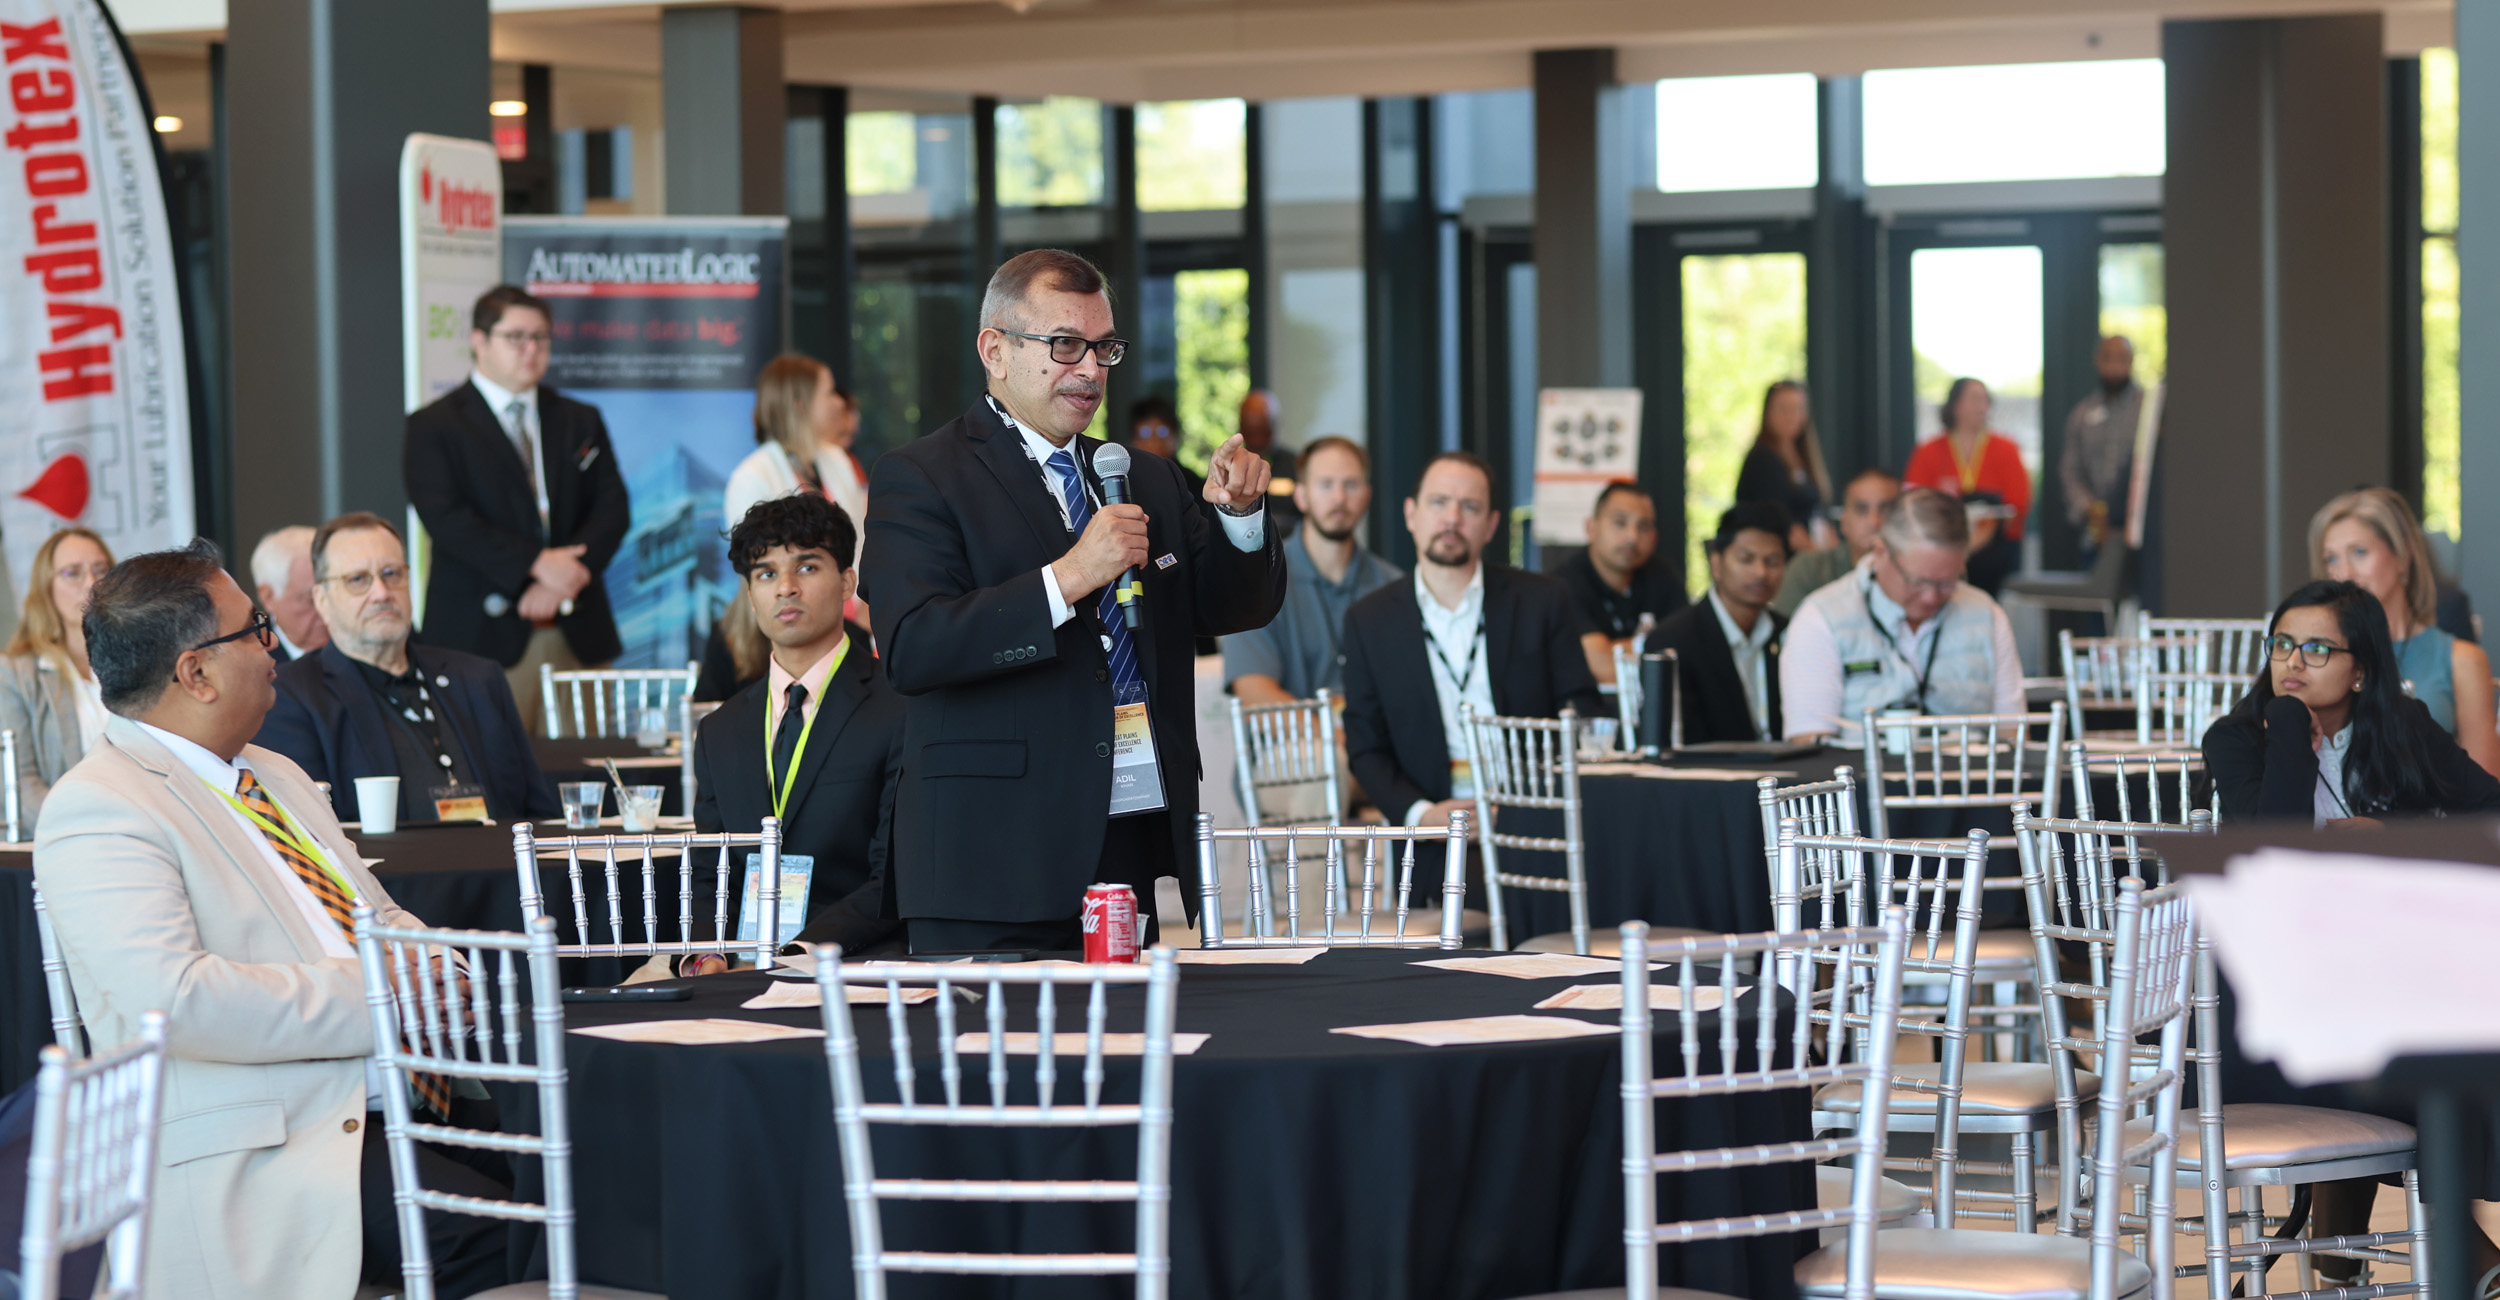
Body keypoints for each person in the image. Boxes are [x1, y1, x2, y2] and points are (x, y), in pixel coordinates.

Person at [33, 540, 509, 1300]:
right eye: (256, 630)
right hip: (272, 1147)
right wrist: (384, 998)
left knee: (602, 1181)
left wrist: (438, 971)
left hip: (398, 1103)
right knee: (511, 1240)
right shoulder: (101, 805)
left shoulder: (273, 771)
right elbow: (177, 999)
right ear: (194, 672)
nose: (276, 646)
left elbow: (378, 914)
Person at [862, 249, 1286, 953]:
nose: (1090, 371)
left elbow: (1224, 609)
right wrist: (1069, 577)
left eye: (1104, 348)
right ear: (995, 350)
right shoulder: (921, 476)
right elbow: (913, 645)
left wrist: (1240, 518)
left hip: (1123, 835)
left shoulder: (1139, 476)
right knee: (994, 1063)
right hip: (990, 858)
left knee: (1115, 1055)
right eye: (1064, 346)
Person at [404, 283, 631, 734]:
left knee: (589, 776)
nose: (531, 349)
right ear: (479, 341)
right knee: (491, 781)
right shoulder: (434, 426)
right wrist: (535, 566)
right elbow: (447, 520)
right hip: (480, 638)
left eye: (541, 337)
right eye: (517, 337)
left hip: (577, 627)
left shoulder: (579, 418)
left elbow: (613, 507)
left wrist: (567, 577)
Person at [1340, 451, 1605, 827]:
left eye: (1470, 506)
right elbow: (1365, 747)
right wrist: (1422, 814)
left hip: (1531, 816)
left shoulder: (1542, 601)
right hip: (1430, 828)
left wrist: (1532, 802)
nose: (1452, 518)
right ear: (1411, 514)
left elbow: (1581, 710)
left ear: (1491, 525)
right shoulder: (1368, 621)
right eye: (1439, 502)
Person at [693, 494, 904, 953]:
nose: (785, 587)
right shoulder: (719, 731)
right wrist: (706, 953)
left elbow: (893, 874)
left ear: (847, 581)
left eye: (806, 567)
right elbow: (711, 873)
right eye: (766, 573)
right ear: (750, 596)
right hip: (739, 972)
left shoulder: (899, 708)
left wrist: (799, 953)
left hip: (852, 963)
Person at [254, 513, 559, 828]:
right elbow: (311, 839)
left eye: (392, 573)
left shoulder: (479, 679)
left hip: (501, 871)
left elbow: (538, 816)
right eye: (358, 580)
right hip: (389, 877)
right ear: (322, 599)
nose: (382, 593)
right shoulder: (292, 696)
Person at [2204, 578, 2500, 826]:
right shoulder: (2233, 738)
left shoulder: (2403, 722)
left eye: (2317, 649)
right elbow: (2274, 843)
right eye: (2282, 644)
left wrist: (2391, 841)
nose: (2292, 662)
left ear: (2360, 670)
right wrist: (2289, 719)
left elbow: (2491, 806)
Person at [1779, 487, 2025, 743]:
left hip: (1970, 779)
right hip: (1861, 779)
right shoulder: (1821, 619)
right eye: (1917, 582)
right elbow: (1809, 744)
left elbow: (2015, 736)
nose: (1931, 597)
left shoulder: (1986, 616)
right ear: (1880, 552)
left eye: (1947, 583)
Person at [2309, 487, 2500, 777]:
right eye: (2331, 559)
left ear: (2402, 555)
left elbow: (2487, 794)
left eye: (2359, 552)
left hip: (2431, 820)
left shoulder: (2461, 660)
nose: (2343, 573)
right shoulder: (2314, 655)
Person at [1223, 435, 1401, 705]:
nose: (1339, 498)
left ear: (1367, 496)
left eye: (1350, 484)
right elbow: (1254, 693)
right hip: (1294, 746)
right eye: (1326, 485)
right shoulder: (1257, 584)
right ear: (1302, 497)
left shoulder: (1394, 587)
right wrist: (1333, 741)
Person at [1649, 504, 1791, 743]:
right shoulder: (1675, 640)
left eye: (1773, 561)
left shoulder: (1790, 632)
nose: (1761, 572)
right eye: (1746, 559)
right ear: (1716, 564)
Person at [0, 528, 112, 825]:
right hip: (65, 838)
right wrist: (88, 827)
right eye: (72, 573)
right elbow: (18, 784)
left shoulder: (140, 660)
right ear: (45, 588)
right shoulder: (14, 674)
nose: (91, 583)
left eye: (101, 570)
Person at [724, 354, 869, 567]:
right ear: (801, 406)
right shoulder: (750, 479)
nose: (839, 403)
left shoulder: (838, 460)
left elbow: (862, 546)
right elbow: (757, 571)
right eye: (829, 393)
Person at [1904, 377, 2031, 596]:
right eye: (1974, 399)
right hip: (1941, 544)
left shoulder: (2007, 449)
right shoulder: (1928, 451)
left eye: (1985, 400)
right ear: (1955, 405)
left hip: (1995, 551)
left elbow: (2018, 503)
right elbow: (1911, 499)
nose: (1982, 407)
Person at [1556, 480, 1688, 683]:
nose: (1632, 537)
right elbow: (1601, 667)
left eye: (1643, 526)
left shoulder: (1664, 576)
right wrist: (1656, 648)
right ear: (1591, 528)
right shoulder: (1564, 585)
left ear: (1654, 538)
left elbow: (1690, 654)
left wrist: (1617, 649)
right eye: (1620, 523)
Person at [1773, 468, 1901, 618]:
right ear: (1843, 522)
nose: (1873, 522)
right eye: (1861, 509)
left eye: (1886, 509)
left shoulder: (1921, 576)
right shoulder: (1809, 570)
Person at [2057, 336, 2143, 555]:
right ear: (2097, 361)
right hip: (2095, 530)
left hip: (2139, 525)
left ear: (2132, 361)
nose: (2115, 366)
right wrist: (2090, 508)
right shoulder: (2081, 415)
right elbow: (2070, 470)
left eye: (2122, 358)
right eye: (2108, 358)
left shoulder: (2146, 411)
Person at [1732, 380, 1836, 554]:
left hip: (1810, 552)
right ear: (1768, 412)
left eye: (1798, 409)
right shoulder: (1762, 459)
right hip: (1777, 556)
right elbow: (1775, 518)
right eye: (1784, 409)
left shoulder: (1805, 457)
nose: (1792, 416)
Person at [250, 524, 328, 661]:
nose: (325, 610)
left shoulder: (361, 647)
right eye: (311, 600)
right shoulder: (252, 662)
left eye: (331, 597)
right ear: (268, 597)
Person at [1238, 387, 1300, 531]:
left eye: (1262, 431)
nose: (1257, 440)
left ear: (1275, 425)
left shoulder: (1295, 465)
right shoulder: (1230, 468)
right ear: (1241, 428)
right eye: (1251, 431)